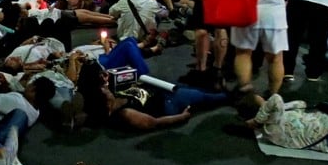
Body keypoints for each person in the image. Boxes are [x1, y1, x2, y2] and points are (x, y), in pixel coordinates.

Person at [79, 60, 225, 132]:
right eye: (103, 88)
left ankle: (217, 88)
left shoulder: (110, 96)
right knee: (203, 96)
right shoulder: (124, 114)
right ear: (102, 98)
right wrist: (182, 117)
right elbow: (154, 122)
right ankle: (230, 96)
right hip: (167, 103)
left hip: (161, 91)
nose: (106, 86)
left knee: (195, 87)